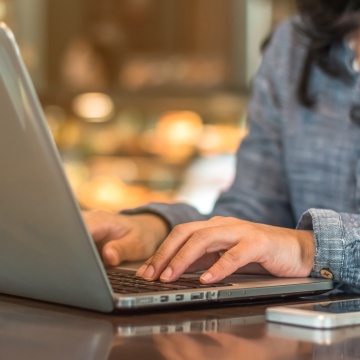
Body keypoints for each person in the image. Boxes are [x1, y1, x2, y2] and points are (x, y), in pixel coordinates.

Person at [84, 0, 360, 292]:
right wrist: (160, 232)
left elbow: (288, 243)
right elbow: (257, 212)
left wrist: (307, 249)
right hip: (303, 327)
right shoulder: (294, 44)